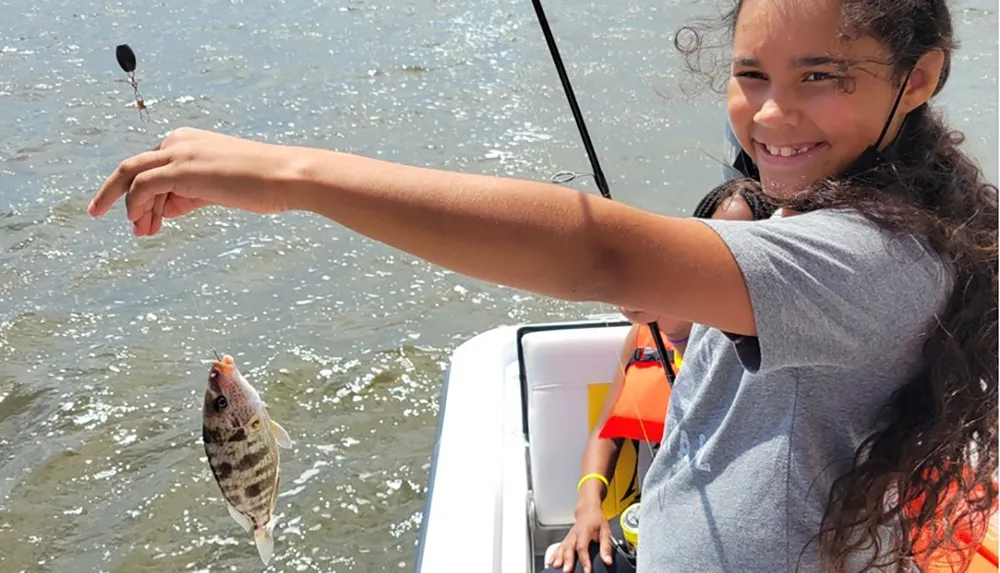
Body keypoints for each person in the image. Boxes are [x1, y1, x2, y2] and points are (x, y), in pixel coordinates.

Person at [88, 0, 998, 570]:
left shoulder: (868, 258)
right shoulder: (861, 218)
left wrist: (291, 176)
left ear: (918, 79)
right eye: (750, 74)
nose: (770, 112)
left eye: (822, 77)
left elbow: (596, 249)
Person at [544, 178, 777, 573]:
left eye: (741, 249)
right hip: (659, 522)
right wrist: (588, 508)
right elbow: (607, 429)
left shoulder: (780, 342)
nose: (723, 263)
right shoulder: (654, 325)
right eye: (712, 244)